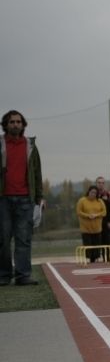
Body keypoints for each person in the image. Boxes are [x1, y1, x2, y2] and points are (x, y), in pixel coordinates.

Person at [0, 110, 44, 286]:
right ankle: (4, 275)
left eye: (18, 122)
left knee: (23, 239)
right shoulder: (1, 144)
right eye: (12, 122)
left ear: (23, 125)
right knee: (3, 239)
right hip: (3, 199)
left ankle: (23, 275)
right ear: (5, 125)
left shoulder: (30, 146)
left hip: (26, 199)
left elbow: (37, 173)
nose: (15, 124)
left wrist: (39, 198)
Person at [76, 185, 106, 263]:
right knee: (88, 245)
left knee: (97, 245)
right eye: (92, 192)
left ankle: (95, 259)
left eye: (95, 193)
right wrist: (87, 215)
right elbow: (78, 212)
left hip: (97, 228)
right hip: (86, 228)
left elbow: (104, 212)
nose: (93, 194)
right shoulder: (82, 200)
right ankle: (89, 259)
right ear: (88, 192)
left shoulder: (100, 201)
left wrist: (96, 215)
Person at [95, 176, 110, 248]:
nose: (101, 184)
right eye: (99, 183)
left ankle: (106, 254)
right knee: (96, 241)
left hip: (106, 221)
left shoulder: (108, 195)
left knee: (106, 240)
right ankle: (95, 254)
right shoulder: (92, 194)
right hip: (95, 221)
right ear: (96, 183)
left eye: (102, 183)